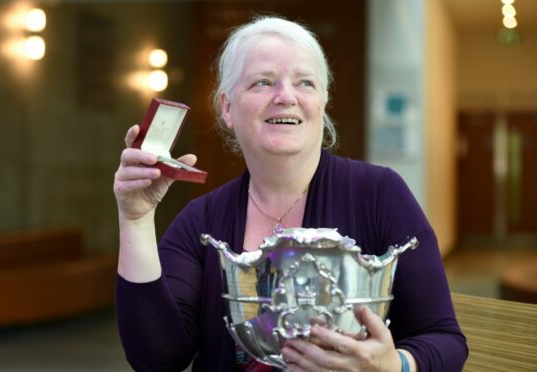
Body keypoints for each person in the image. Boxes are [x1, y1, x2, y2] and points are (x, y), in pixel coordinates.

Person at [114, 16, 468, 372]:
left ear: (322, 101)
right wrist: (136, 219)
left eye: (305, 83)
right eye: (263, 82)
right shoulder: (201, 221)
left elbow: (444, 340)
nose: (286, 97)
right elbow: (157, 358)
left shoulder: (380, 194)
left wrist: (394, 366)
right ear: (227, 106)